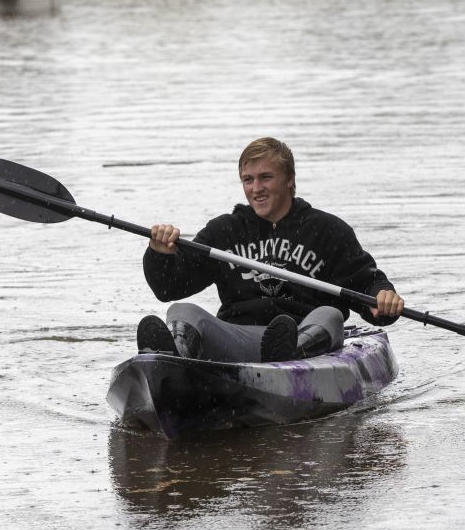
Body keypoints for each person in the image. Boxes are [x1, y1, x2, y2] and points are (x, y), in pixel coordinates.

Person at [136, 137, 405, 363]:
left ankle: (290, 352)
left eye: (265, 177)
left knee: (331, 315)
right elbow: (168, 288)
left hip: (305, 339)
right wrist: (160, 253)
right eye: (247, 180)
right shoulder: (223, 230)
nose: (256, 189)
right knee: (182, 311)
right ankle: (174, 361)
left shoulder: (328, 230)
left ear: (289, 179)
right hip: (238, 337)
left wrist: (382, 298)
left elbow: (367, 284)